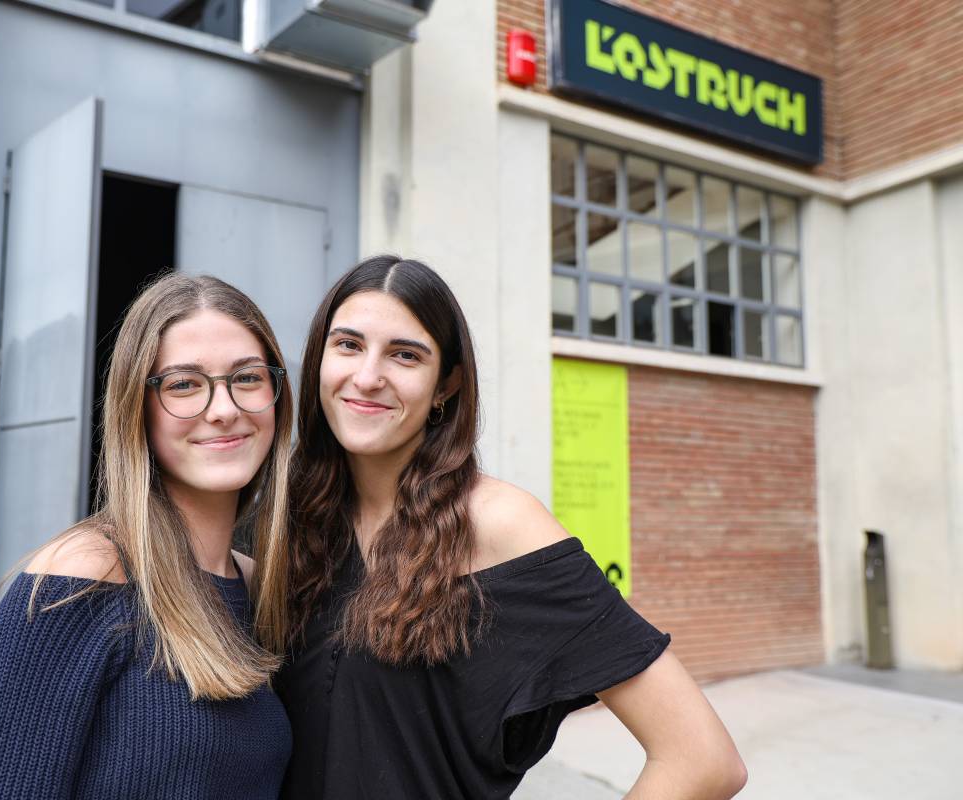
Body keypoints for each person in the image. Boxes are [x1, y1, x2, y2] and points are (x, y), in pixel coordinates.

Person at [269, 255, 747, 799]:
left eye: (405, 355)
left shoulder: (500, 523)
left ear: (445, 384)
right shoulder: (290, 519)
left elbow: (703, 759)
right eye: (348, 345)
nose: (368, 376)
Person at [0, 274, 294, 799]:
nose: (224, 409)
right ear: (136, 410)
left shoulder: (259, 588)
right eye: (183, 384)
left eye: (248, 378)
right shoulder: (83, 579)